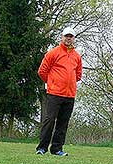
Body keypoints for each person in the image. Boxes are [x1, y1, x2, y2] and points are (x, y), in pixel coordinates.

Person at [36, 27, 82, 156]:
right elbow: (42, 71)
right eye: (66, 36)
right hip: (54, 93)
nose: (68, 38)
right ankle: (42, 148)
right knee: (49, 120)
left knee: (63, 123)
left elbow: (78, 75)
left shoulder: (77, 56)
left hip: (70, 94)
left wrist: (69, 82)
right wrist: (52, 83)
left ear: (73, 39)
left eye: (71, 36)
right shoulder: (53, 53)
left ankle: (57, 149)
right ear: (62, 37)